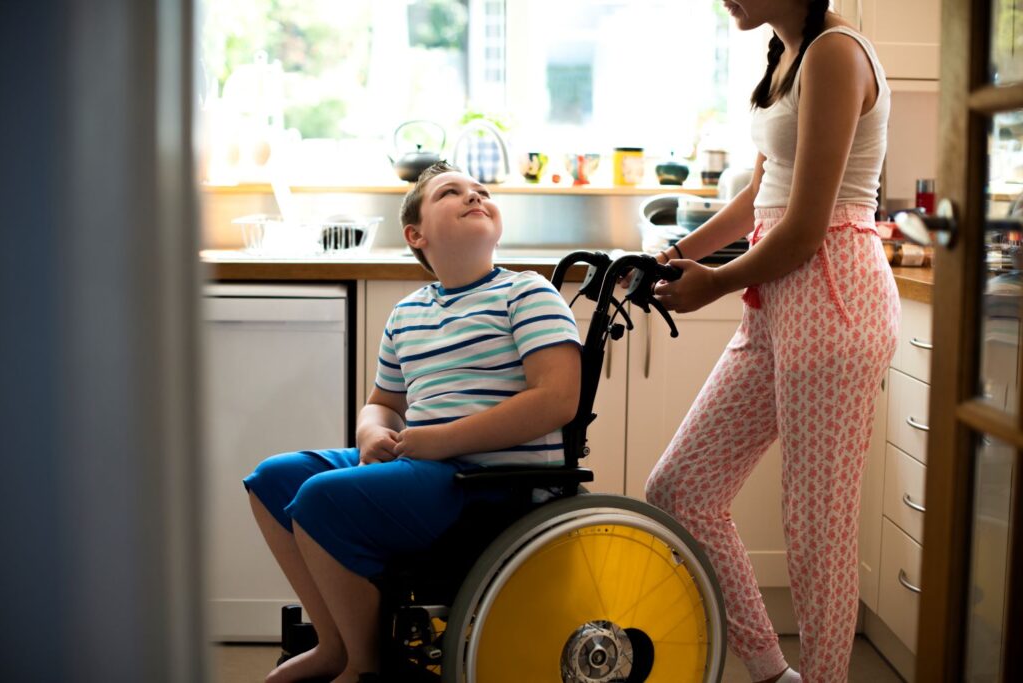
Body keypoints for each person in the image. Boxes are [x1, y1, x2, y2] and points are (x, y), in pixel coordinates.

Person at [243, 161, 582, 683]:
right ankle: (333, 643)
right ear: (416, 234)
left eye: (482, 191)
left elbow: (558, 398)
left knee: (320, 498)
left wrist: (441, 440)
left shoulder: (527, 293)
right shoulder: (408, 313)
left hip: (490, 485)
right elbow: (382, 401)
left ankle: (364, 665)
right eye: (452, 192)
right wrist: (371, 433)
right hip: (424, 463)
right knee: (274, 478)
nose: (475, 196)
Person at [643, 2, 898, 682]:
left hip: (833, 295)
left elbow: (809, 225)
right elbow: (763, 195)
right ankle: (771, 670)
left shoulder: (836, 53)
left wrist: (715, 282)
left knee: (819, 528)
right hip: (778, 299)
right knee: (681, 486)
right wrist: (676, 254)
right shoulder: (789, 53)